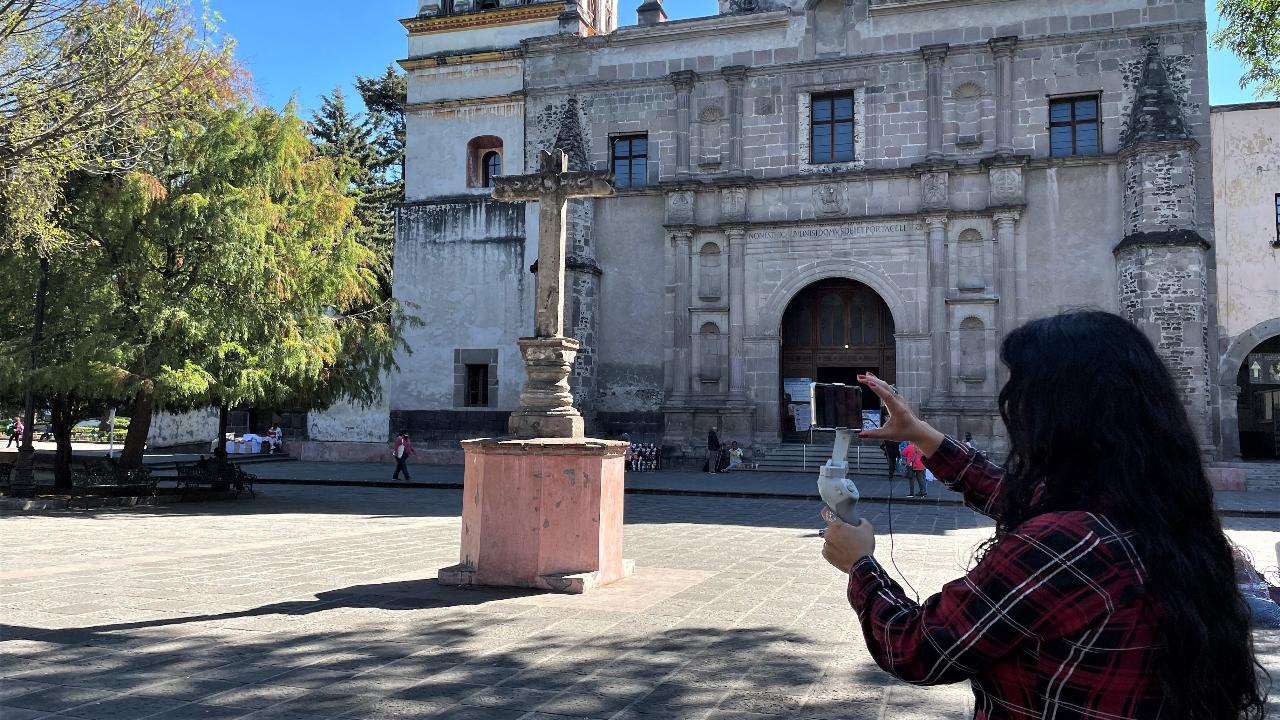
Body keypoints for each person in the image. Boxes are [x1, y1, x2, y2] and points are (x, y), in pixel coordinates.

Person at [820, 311, 1265, 719]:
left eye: (1020, 394)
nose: (1013, 410)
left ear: (1061, 412)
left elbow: (918, 647)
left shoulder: (1067, 542)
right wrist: (919, 433)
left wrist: (861, 566)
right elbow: (1018, 496)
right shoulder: (1154, 505)